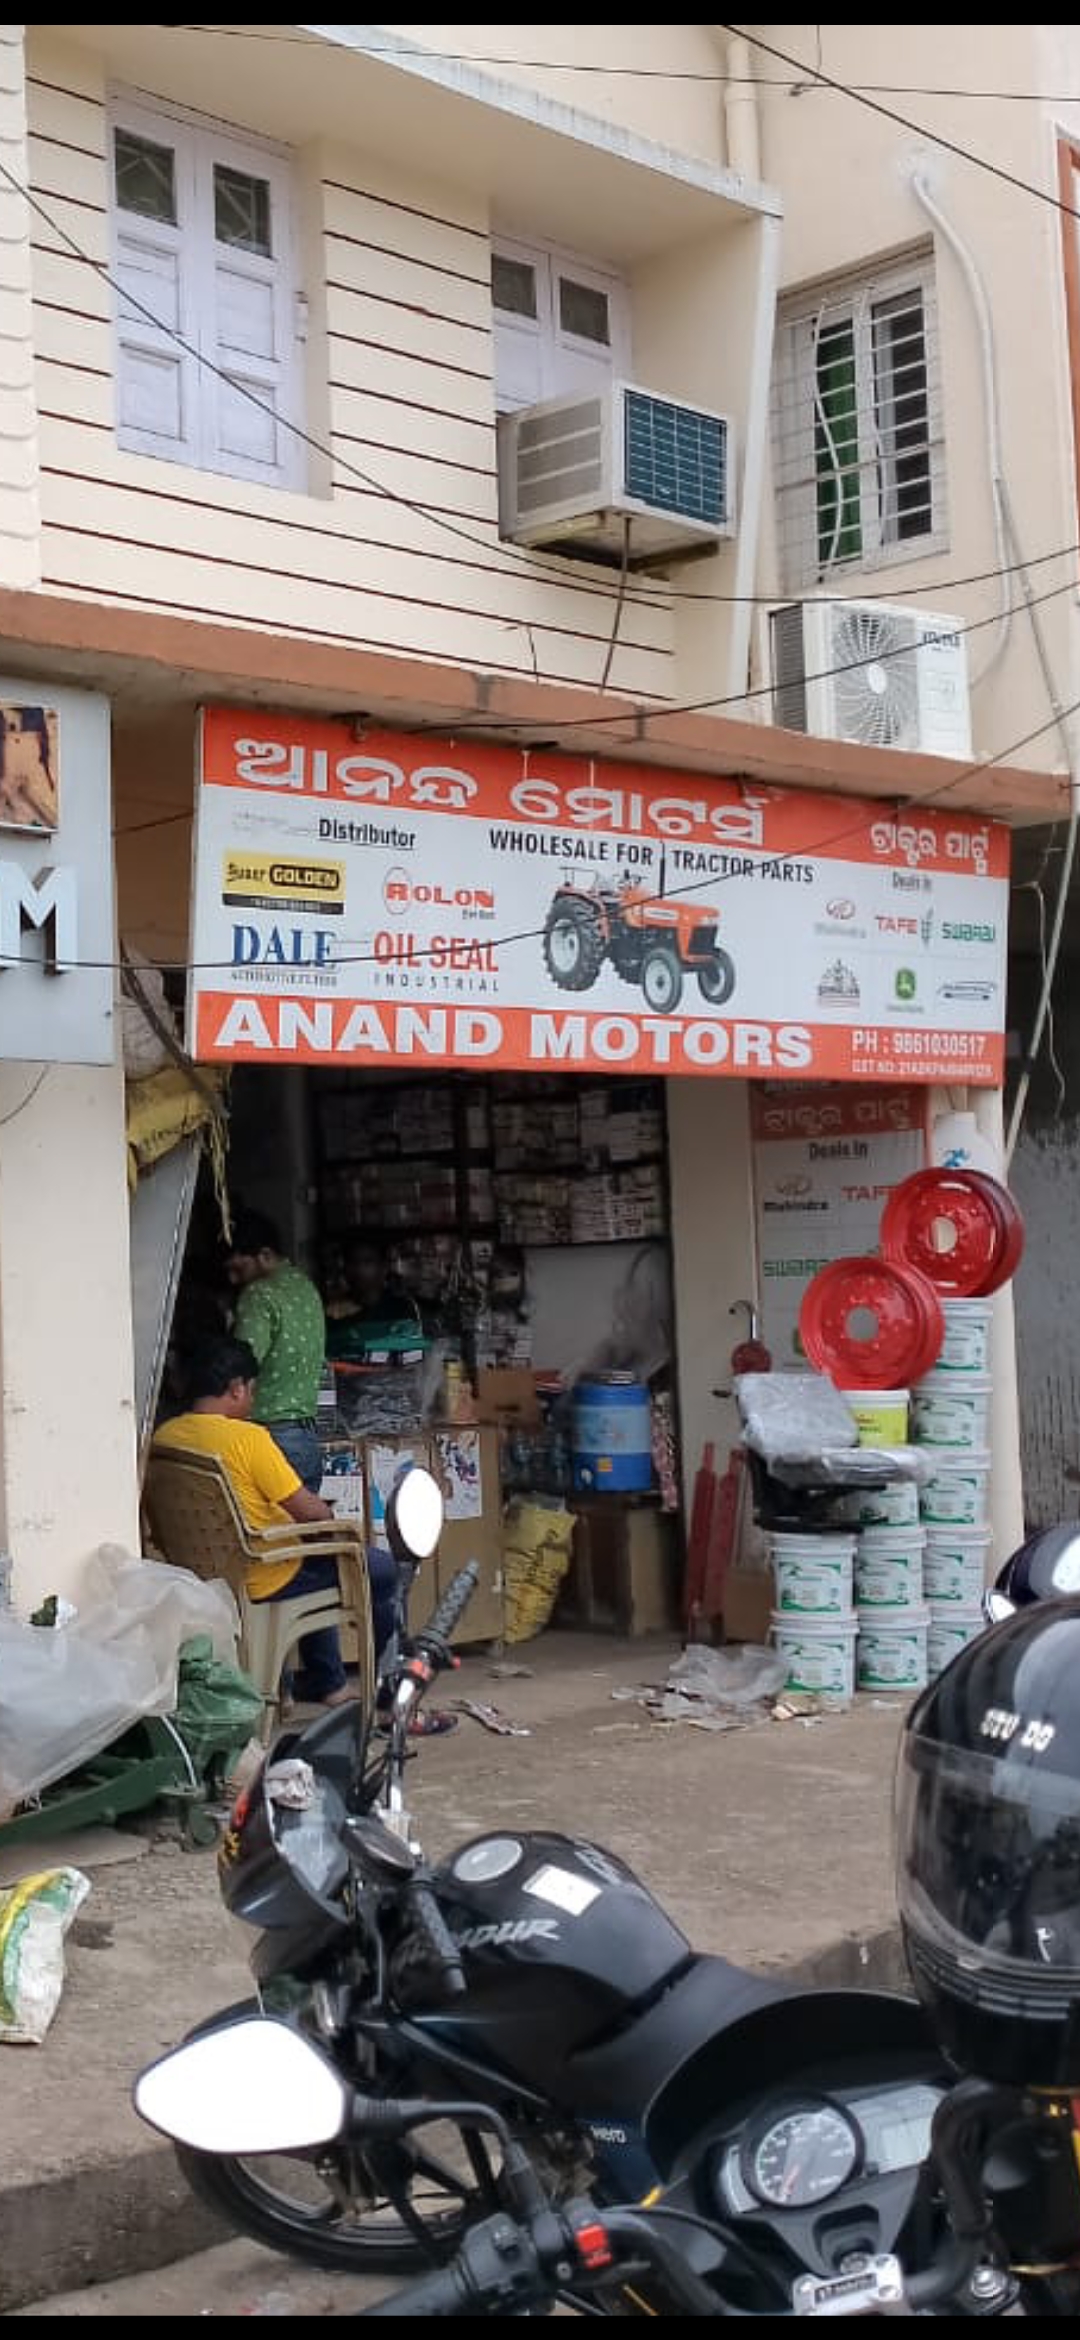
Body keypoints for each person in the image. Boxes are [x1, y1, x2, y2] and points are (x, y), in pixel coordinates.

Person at [152, 1335, 391, 1709]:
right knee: (377, 1567)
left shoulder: (164, 1436)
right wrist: (332, 1520)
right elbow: (310, 1512)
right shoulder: (249, 1439)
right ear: (236, 1388)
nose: (253, 1399)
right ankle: (390, 1693)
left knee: (321, 1554)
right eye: (252, 1390)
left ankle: (326, 1681)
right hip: (264, 1572)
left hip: (203, 1570)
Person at [223, 1207, 327, 1493]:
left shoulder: (258, 1294)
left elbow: (242, 1363)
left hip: (269, 1437)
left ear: (265, 1255)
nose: (233, 1280)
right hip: (305, 1437)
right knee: (302, 1519)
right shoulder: (306, 1286)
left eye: (238, 1269)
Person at [335, 1233, 421, 1335]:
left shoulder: (403, 1308)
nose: (359, 1270)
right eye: (352, 1262)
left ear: (384, 1267)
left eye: (368, 1262)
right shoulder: (335, 1311)